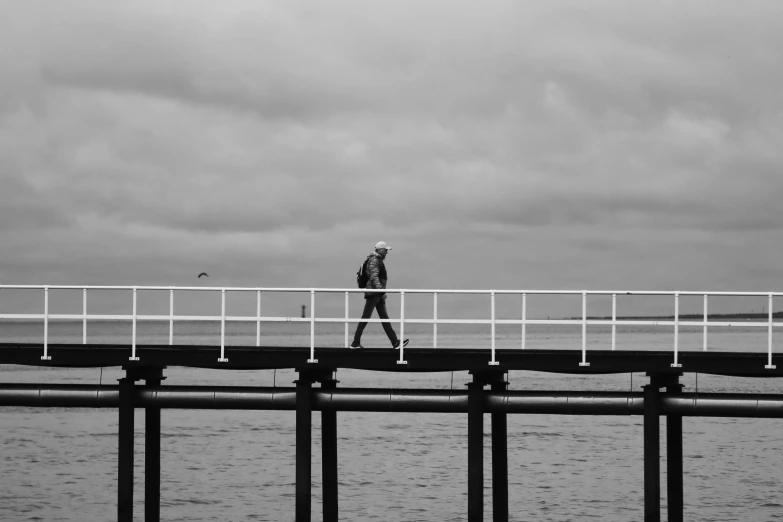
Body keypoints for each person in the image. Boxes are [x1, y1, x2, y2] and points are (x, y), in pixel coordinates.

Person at [351, 241, 410, 350]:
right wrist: (381, 291)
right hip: (374, 293)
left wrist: (381, 292)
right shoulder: (374, 260)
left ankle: (395, 342)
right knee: (366, 317)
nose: (387, 252)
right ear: (379, 250)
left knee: (384, 318)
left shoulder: (377, 260)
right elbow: (374, 277)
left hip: (377, 293)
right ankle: (355, 343)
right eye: (385, 250)